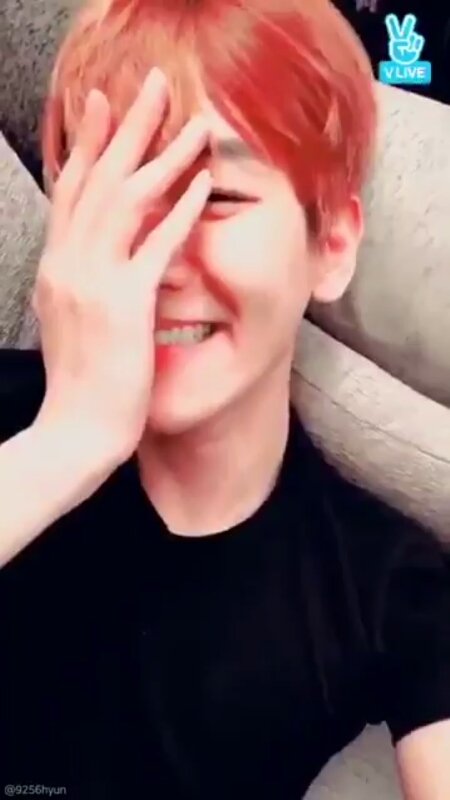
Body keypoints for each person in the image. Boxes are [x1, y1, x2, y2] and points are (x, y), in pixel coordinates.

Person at [1, 1, 450, 797]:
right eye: (121, 195)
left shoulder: (388, 585)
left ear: (330, 244)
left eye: (216, 198)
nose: (161, 260)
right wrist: (67, 442)